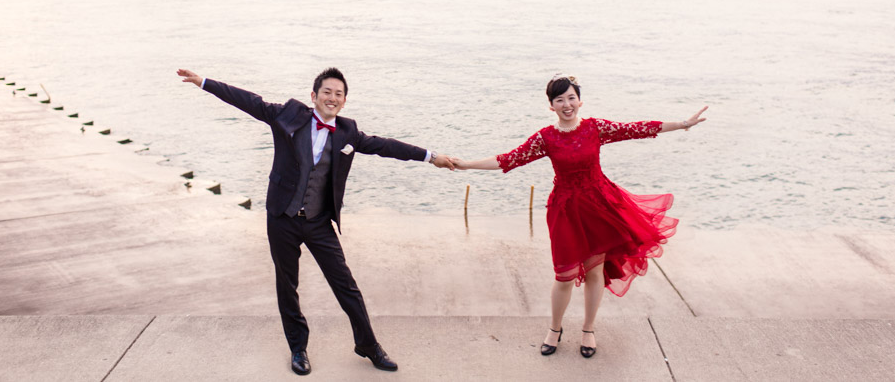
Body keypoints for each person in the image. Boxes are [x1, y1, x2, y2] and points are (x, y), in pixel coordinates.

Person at [177, 67, 456, 376]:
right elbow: (248, 101)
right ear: (314, 96)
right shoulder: (289, 114)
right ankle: (298, 348)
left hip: (318, 221)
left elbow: (386, 146)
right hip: (281, 216)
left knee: (345, 284)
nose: (332, 98)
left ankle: (367, 344)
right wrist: (204, 83)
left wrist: (431, 157)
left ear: (345, 101)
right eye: (327, 92)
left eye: (338, 94)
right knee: (288, 285)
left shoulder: (348, 132)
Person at [454, 74, 706, 359]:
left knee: (595, 271)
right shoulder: (545, 138)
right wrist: (466, 165)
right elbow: (509, 159)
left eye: (571, 97)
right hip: (565, 211)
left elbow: (637, 128)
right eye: (559, 100)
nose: (566, 104)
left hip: (599, 205)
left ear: (580, 100)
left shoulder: (594, 128)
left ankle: (588, 329)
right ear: (551, 106)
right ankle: (555, 328)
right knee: (563, 276)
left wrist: (682, 124)